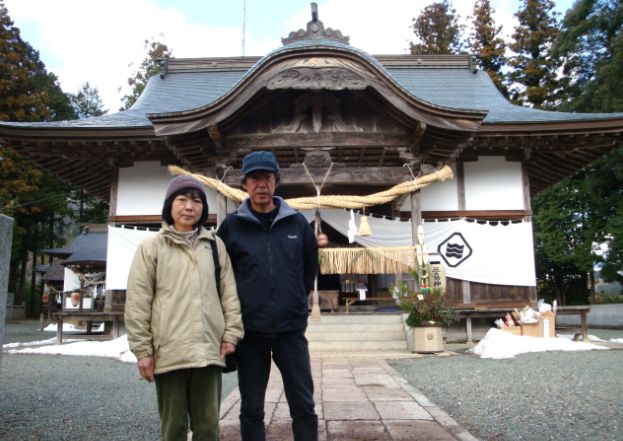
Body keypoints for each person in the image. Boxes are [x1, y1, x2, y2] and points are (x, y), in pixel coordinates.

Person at [125, 175, 244, 441]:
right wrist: (143, 350)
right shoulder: (151, 248)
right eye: (182, 200)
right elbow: (138, 302)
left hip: (208, 349)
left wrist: (231, 335)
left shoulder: (214, 246)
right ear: (170, 205)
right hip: (169, 351)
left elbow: (229, 294)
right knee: (174, 427)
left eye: (197, 201)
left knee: (208, 428)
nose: (189, 207)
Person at [217, 151, 319, 441]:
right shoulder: (231, 227)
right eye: (254, 178)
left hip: (290, 329)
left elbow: (309, 266)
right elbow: (220, 275)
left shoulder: (296, 223)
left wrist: (296, 299)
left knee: (303, 403)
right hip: (250, 331)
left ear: (276, 181)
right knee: (251, 408)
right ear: (244, 184)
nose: (261, 184)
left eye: (267, 178)